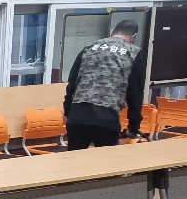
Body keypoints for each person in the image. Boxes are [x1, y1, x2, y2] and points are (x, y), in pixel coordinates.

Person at [62, 20, 147, 150]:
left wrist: (68, 111)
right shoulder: (134, 52)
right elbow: (135, 92)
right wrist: (133, 125)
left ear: (112, 32)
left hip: (77, 116)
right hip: (106, 118)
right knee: (107, 160)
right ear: (133, 37)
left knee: (74, 161)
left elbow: (73, 82)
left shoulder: (89, 47)